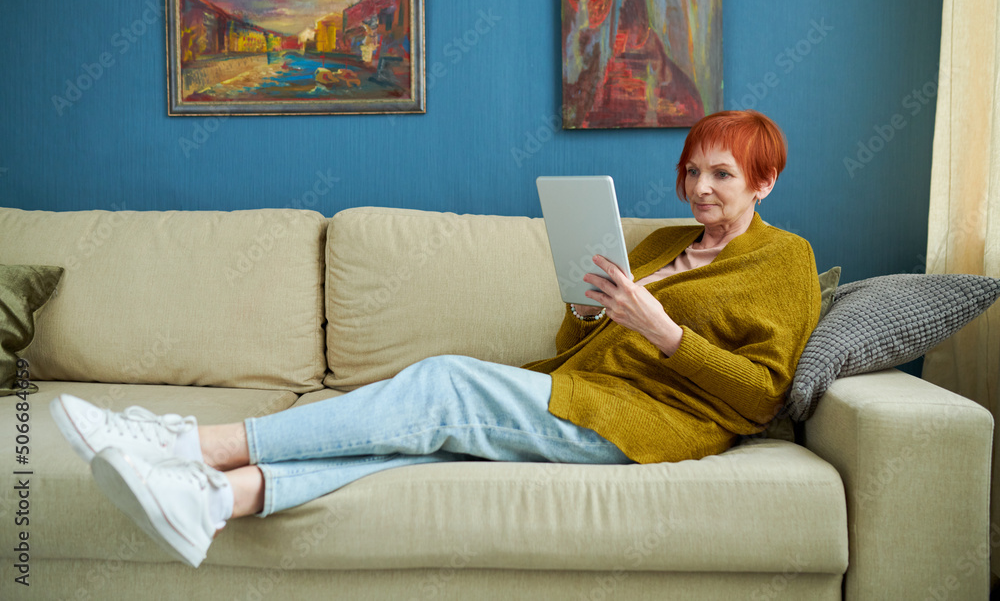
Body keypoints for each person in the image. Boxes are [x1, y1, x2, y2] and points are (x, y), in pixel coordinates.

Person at [50, 110, 820, 568]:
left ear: (765, 181)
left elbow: (764, 394)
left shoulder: (786, 259)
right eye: (692, 172)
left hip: (651, 424)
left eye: (721, 174)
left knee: (446, 383)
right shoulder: (659, 245)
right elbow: (581, 341)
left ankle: (195, 447)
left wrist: (664, 332)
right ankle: (218, 498)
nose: (700, 189)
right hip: (589, 392)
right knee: (422, 438)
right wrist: (588, 310)